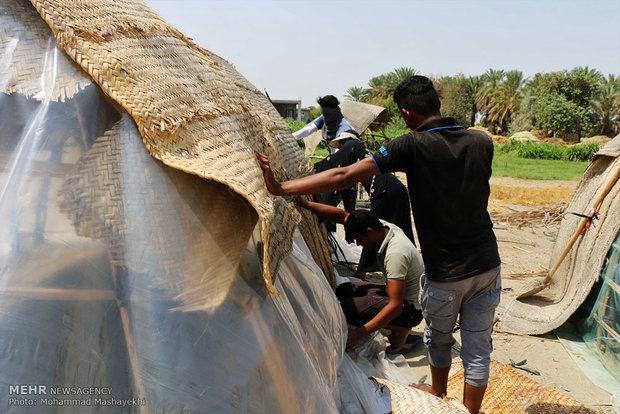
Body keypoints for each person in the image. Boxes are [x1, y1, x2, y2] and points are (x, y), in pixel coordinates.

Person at [255, 75, 501, 414]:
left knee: (439, 339)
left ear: (406, 113)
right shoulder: (481, 140)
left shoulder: (411, 145)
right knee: (477, 348)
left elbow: (343, 176)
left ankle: (441, 396)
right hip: (488, 263)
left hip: (448, 271)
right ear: (437, 105)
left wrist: (281, 188)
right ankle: (469, 410)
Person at [294, 196, 424, 353]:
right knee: (343, 289)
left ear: (369, 232)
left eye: (359, 239)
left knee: (347, 310)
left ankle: (402, 330)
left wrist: (357, 334)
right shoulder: (381, 226)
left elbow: (395, 306)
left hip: (411, 309)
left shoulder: (395, 254)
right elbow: (342, 216)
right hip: (403, 296)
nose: (358, 244)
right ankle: (397, 328)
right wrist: (304, 204)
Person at [312, 129, 415, 271]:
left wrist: (315, 170)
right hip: (396, 189)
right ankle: (408, 265)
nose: (341, 150)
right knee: (397, 229)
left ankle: (363, 271)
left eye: (341, 146)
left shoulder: (353, 146)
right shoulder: (360, 156)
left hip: (384, 191)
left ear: (344, 143)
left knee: (372, 231)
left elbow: (333, 165)